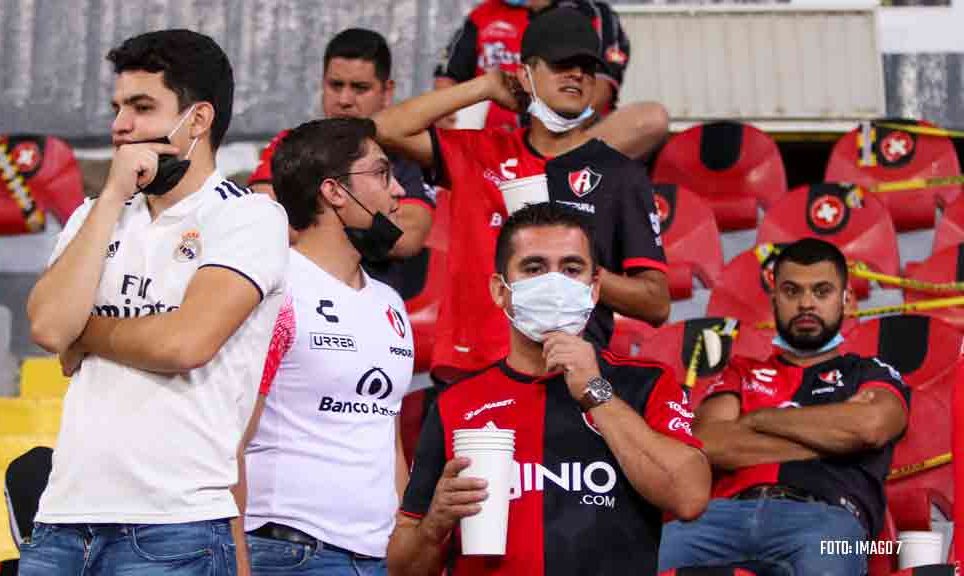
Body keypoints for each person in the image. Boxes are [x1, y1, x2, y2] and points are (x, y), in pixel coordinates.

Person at [23, 29, 289, 575]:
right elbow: (51, 328)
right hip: (60, 521)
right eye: (118, 107)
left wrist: (87, 334)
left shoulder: (248, 217)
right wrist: (114, 196)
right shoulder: (92, 215)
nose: (121, 124)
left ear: (198, 120)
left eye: (142, 107)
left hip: (175, 526)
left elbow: (183, 342)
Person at [387, 202, 709, 576]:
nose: (554, 284)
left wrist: (595, 391)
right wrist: (434, 527)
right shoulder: (456, 402)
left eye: (571, 269)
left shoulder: (646, 383)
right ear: (500, 290)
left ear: (594, 289)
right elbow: (402, 569)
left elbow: (689, 498)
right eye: (534, 268)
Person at [374, 6, 670, 382]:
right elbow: (383, 128)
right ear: (526, 74)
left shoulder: (619, 173)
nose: (576, 73)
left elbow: (656, 302)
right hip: (470, 372)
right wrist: (484, 86)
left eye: (586, 66)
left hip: (565, 380)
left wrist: (569, 270)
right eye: (562, 63)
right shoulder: (480, 152)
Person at [658, 238, 911, 576]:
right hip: (718, 516)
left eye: (821, 292)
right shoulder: (740, 370)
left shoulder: (870, 371)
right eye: (792, 292)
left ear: (847, 301)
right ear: (775, 300)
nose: (806, 303)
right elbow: (706, 444)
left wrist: (758, 418)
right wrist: (832, 440)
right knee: (637, 557)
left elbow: (870, 427)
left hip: (828, 519)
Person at [238, 117, 414, 576]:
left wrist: (401, 539)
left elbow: (386, 436)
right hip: (288, 551)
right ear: (334, 191)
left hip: (375, 556)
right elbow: (229, 440)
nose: (398, 191)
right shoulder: (275, 290)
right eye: (381, 173)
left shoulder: (390, 303)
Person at [248, 28, 435, 299]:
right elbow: (265, 213)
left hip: (376, 306)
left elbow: (408, 237)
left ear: (387, 91)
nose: (344, 100)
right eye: (335, 85)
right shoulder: (291, 143)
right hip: (295, 300)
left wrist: (312, 223)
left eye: (360, 88)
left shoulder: (407, 155)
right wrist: (367, 221)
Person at [435, 0, 630, 131]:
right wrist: (444, 111)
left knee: (651, 119)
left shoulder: (594, 14)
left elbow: (601, 88)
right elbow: (448, 76)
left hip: (575, 134)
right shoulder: (483, 14)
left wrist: (552, 132)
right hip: (491, 139)